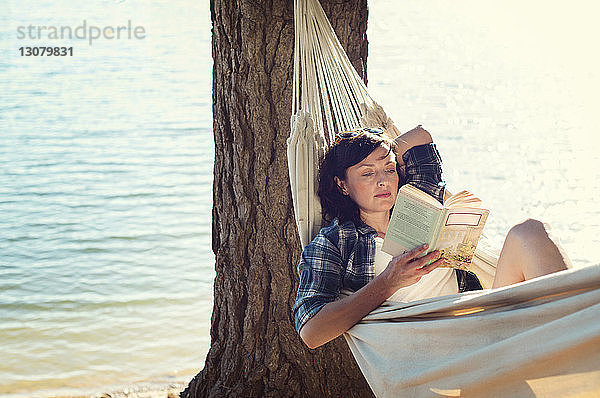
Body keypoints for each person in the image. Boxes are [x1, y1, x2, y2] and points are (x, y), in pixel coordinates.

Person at [292, 125, 571, 349]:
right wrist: (389, 282)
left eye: (389, 170)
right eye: (367, 173)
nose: (383, 181)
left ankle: (577, 333)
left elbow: (420, 137)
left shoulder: (419, 203)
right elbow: (312, 331)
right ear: (342, 184)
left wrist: (380, 149)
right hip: (434, 353)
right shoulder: (336, 241)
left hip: (481, 320)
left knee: (530, 232)